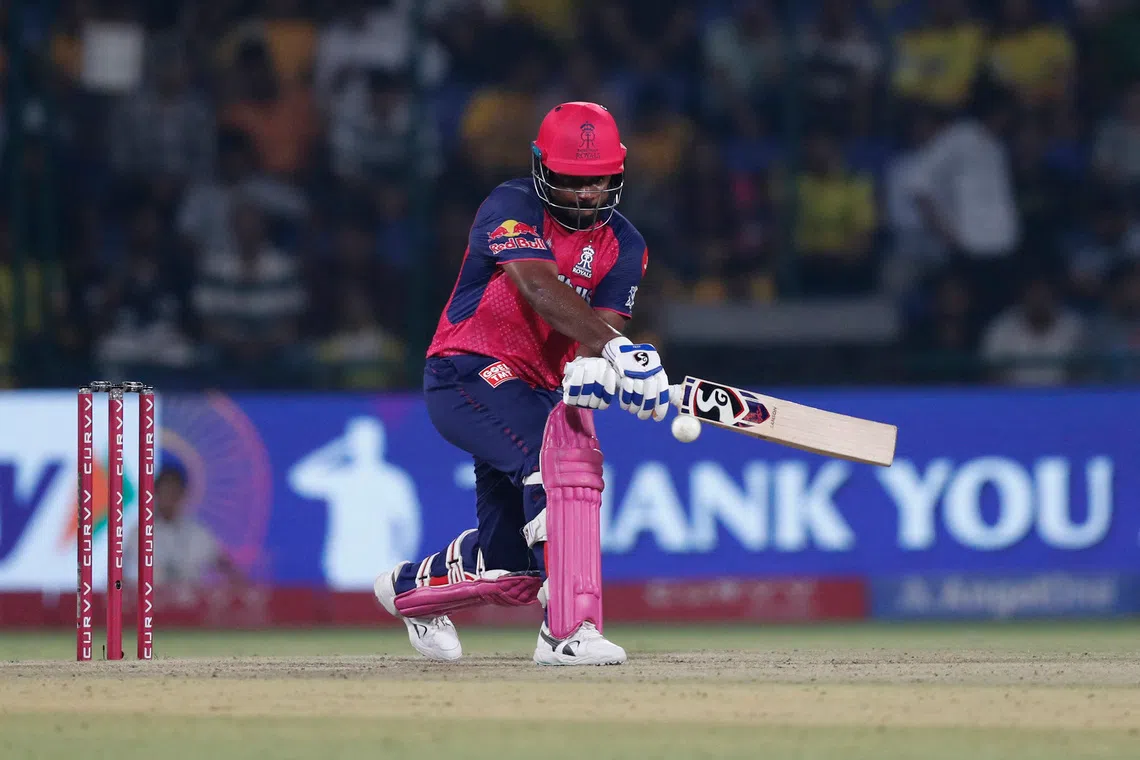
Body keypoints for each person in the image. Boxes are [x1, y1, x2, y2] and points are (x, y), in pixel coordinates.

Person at [373, 102, 670, 666]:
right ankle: (567, 630)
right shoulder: (510, 206)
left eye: (598, 181)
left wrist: (623, 372)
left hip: (535, 393)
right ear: (541, 167)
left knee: (510, 566)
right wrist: (616, 350)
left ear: (618, 173)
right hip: (465, 370)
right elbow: (537, 287)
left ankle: (409, 591)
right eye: (572, 180)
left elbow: (596, 337)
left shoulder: (626, 245)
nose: (586, 195)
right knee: (557, 460)